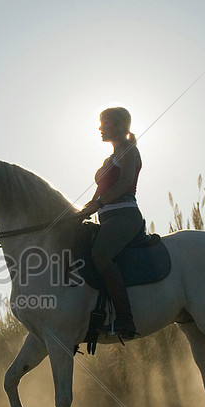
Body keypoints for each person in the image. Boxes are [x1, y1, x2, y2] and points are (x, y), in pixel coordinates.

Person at [78, 107, 144, 340]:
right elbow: (99, 192)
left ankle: (126, 320)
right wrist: (82, 211)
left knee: (101, 255)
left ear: (118, 125)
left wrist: (99, 203)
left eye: (104, 123)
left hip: (125, 216)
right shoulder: (109, 158)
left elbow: (125, 183)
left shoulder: (128, 150)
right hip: (107, 217)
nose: (100, 128)